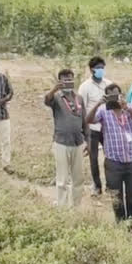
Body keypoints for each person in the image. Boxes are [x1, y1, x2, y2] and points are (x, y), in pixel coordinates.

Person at [87, 84, 132, 227]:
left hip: (131, 161)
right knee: (116, 196)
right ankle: (120, 224)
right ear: (106, 98)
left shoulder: (128, 108)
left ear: (122, 95)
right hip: (113, 162)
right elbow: (88, 120)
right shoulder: (103, 111)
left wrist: (126, 106)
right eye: (111, 96)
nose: (115, 99)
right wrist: (99, 103)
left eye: (117, 95)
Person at [44, 69, 88, 209]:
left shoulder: (79, 98)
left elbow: (84, 121)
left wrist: (87, 140)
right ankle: (62, 208)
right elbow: (46, 100)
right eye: (65, 79)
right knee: (62, 179)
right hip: (61, 142)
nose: (68, 81)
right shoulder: (56, 97)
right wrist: (54, 89)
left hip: (78, 142)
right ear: (60, 81)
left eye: (70, 79)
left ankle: (76, 207)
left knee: (78, 178)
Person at [78, 56, 112, 196]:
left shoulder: (108, 84)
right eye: (98, 68)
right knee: (93, 158)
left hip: (107, 127)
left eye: (102, 68)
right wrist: (83, 132)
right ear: (91, 69)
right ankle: (97, 186)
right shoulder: (85, 87)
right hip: (92, 129)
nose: (101, 70)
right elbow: (82, 109)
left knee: (110, 157)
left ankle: (111, 185)